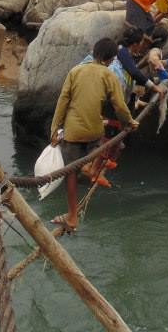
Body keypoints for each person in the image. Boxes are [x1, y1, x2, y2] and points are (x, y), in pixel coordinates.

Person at [48, 38, 138, 231]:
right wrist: (129, 122)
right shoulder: (109, 75)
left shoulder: (75, 71)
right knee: (102, 141)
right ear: (111, 58)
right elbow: (120, 106)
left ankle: (72, 216)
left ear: (94, 52)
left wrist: (54, 130)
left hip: (73, 132)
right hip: (94, 133)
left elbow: (63, 101)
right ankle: (90, 167)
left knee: (70, 173)